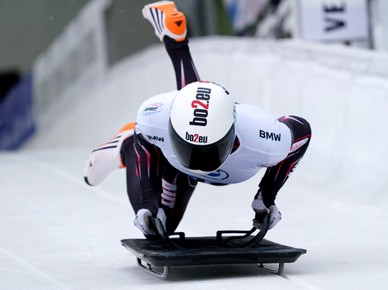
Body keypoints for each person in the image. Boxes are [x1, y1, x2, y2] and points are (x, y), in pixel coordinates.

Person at [83, 1, 311, 237]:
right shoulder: (154, 119)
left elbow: (302, 131)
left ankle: (176, 43)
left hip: (182, 148)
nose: (198, 159)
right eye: (190, 147)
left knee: (160, 225)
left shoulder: (265, 137)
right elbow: (149, 144)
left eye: (207, 149)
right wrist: (146, 204)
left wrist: (266, 195)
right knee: (156, 228)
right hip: (172, 157)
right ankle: (126, 144)